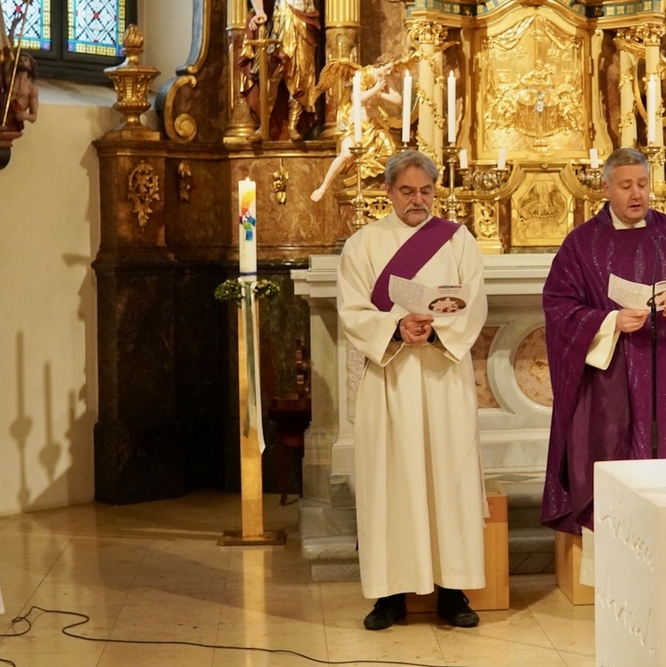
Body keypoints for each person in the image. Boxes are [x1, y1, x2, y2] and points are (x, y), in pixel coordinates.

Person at [336, 150, 489, 630]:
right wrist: (397, 328)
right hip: (391, 378)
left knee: (450, 478)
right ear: (388, 192)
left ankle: (453, 591)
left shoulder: (459, 240)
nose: (417, 200)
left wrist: (438, 332)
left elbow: (475, 302)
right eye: (407, 191)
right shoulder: (363, 244)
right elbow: (352, 310)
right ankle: (389, 595)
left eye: (425, 190)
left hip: (444, 377)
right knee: (391, 481)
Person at [541, 147, 666, 536]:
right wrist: (609, 320)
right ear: (606, 188)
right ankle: (615, 545)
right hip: (611, 380)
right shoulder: (582, 243)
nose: (636, 194)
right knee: (616, 464)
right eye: (626, 185)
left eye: (642, 184)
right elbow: (559, 306)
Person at [310, 59, 399, 202]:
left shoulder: (386, 78)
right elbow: (357, 98)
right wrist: (376, 89)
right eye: (387, 68)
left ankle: (379, 183)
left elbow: (397, 100)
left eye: (391, 69)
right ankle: (323, 187)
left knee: (391, 153)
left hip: (375, 125)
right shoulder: (362, 75)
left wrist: (381, 94)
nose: (389, 72)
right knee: (346, 154)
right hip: (355, 126)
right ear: (380, 65)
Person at [242, 0, 320, 141]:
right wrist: (259, 11)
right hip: (282, 19)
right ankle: (264, 125)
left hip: (304, 22)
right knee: (272, 74)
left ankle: (293, 125)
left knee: (300, 75)